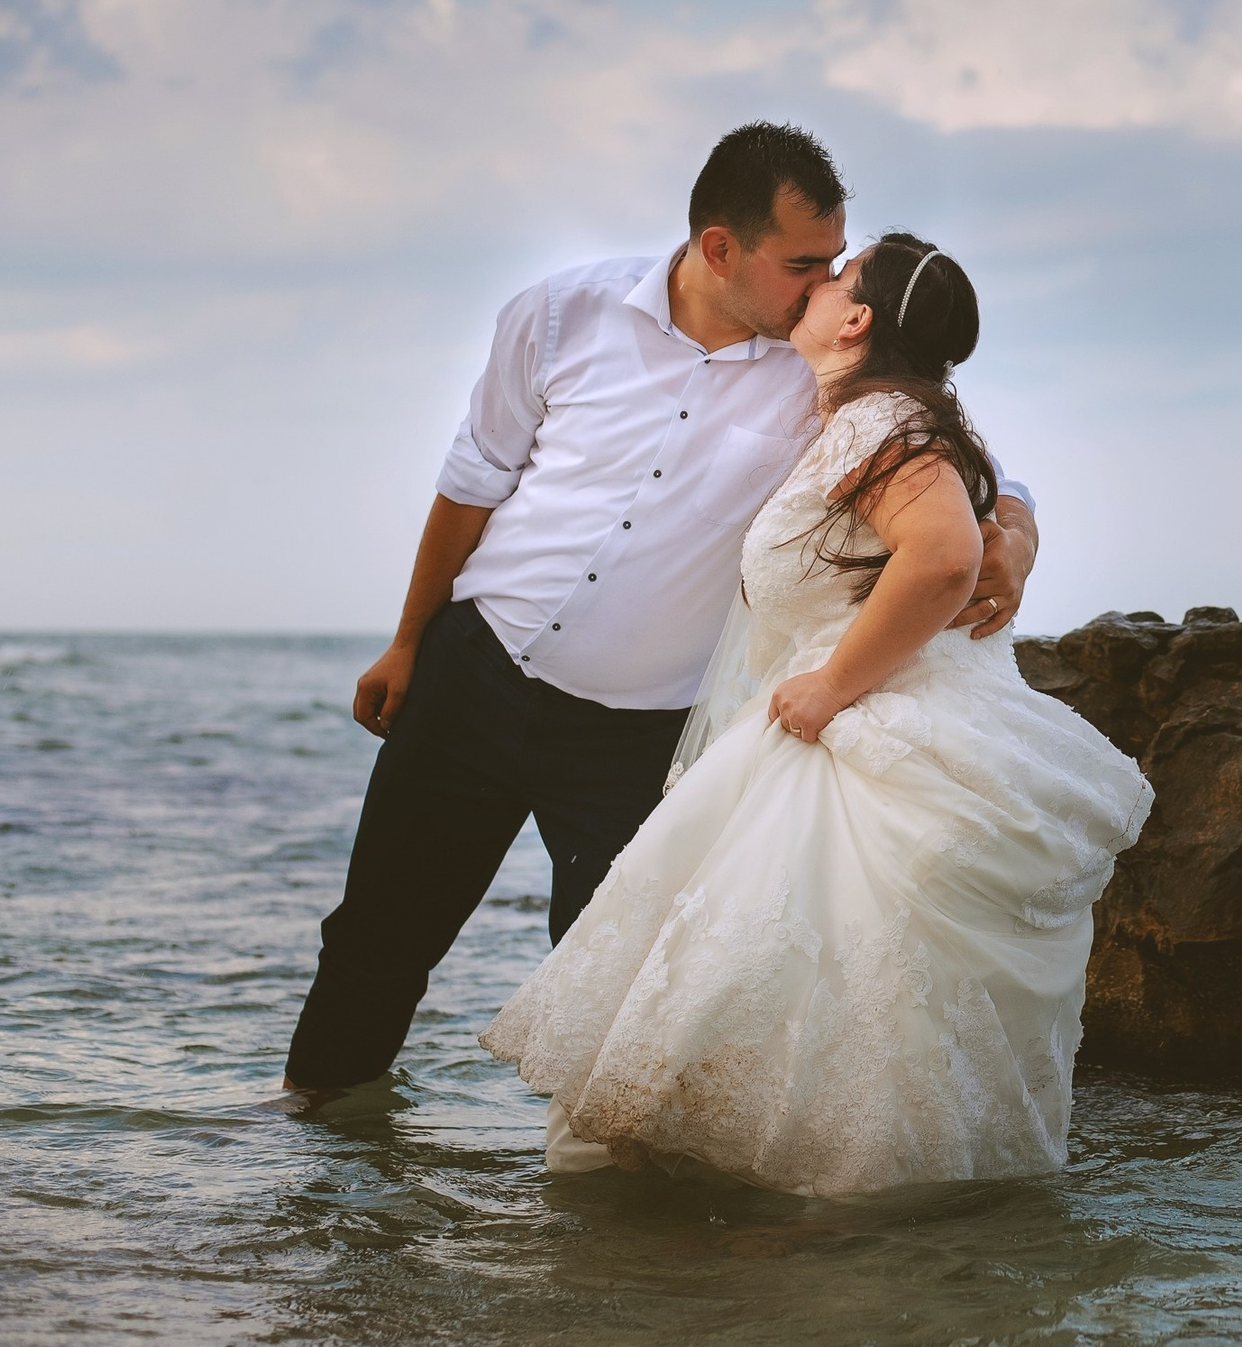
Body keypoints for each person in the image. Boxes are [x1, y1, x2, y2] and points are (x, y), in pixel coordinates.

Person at [279, 123, 1041, 1103]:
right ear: (719, 247)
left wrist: (1011, 528)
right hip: (477, 670)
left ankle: (608, 1233)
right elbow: (473, 479)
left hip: (637, 733)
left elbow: (952, 449)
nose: (823, 285)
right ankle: (310, 1158)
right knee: (377, 932)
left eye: (833, 264)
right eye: (802, 263)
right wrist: (409, 639)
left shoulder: (824, 367)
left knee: (616, 977)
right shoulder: (560, 312)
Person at [480, 235, 1153, 1196]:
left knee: (825, 997)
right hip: (833, 729)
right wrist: (1016, 521)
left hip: (849, 738)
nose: (821, 282)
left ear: (859, 318)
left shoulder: (881, 423)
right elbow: (971, 506)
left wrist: (834, 682)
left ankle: (789, 1221)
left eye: (839, 274)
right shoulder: (871, 412)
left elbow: (943, 557)